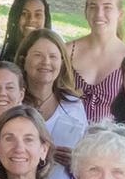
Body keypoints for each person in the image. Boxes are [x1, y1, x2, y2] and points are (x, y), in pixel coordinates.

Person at [69, 0, 125, 122]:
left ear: (120, 14)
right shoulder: (67, 51)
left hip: (112, 134)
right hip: (67, 133)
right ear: (86, 12)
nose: (99, 14)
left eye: (107, 7)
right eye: (93, 7)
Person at [18, 29, 85, 158]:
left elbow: (85, 155)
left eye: (53, 56)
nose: (46, 62)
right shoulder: (13, 102)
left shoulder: (73, 106)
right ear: (23, 61)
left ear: (62, 63)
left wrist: (75, 160)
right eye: (38, 55)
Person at [0, 0, 51, 70]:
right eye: (24, 14)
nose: (31, 20)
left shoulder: (55, 60)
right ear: (15, 17)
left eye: (38, 15)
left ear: (45, 19)